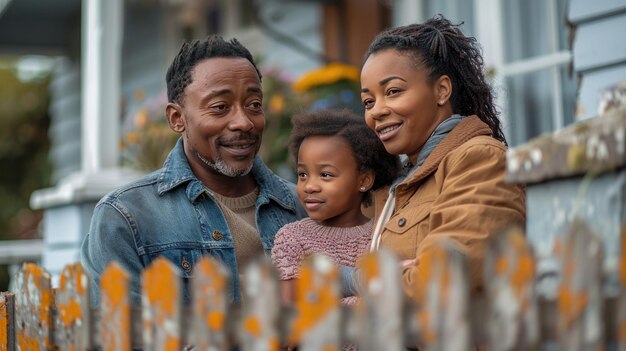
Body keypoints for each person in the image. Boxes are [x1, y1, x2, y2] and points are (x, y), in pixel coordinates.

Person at [81, 35, 306, 306]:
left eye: (254, 105)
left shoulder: (302, 206)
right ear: (177, 118)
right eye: (220, 107)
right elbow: (120, 335)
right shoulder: (126, 218)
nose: (244, 122)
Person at [359, 15, 526, 300]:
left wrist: (367, 280)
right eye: (368, 101)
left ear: (441, 90)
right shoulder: (404, 181)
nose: (377, 111)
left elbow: (446, 278)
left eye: (393, 91)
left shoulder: (479, 160)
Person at [271, 109, 400, 305]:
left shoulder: (383, 235)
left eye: (326, 175)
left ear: (363, 180)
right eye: (302, 174)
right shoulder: (292, 239)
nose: (310, 186)